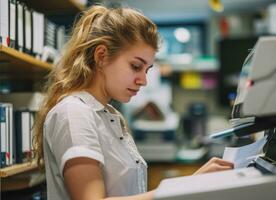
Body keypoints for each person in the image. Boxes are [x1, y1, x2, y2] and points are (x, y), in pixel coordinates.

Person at [33, 5, 233, 200]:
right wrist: (187, 187)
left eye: (146, 70)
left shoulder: (110, 116)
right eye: (136, 66)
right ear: (101, 56)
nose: (144, 80)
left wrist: (189, 184)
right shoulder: (74, 113)